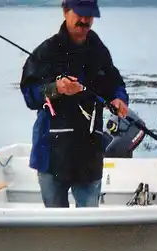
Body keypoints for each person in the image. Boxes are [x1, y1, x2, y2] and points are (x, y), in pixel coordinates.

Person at [19, 0, 129, 208]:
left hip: (89, 153)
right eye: (80, 14)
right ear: (65, 11)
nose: (85, 20)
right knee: (55, 224)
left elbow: (116, 84)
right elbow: (30, 95)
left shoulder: (99, 52)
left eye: (90, 15)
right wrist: (57, 88)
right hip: (51, 155)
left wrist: (119, 99)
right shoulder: (45, 52)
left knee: (88, 225)